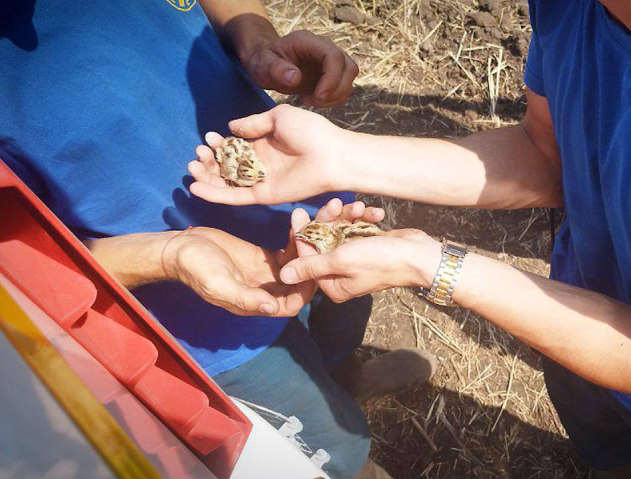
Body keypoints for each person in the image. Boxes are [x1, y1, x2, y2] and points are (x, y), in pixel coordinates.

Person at [188, 0, 631, 477]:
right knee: (604, 447)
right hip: (570, 313)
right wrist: (341, 156)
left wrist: (431, 263)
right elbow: (546, 157)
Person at [0, 1, 434, 478]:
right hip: (195, 311)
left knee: (341, 317)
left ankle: (344, 377)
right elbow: (21, 273)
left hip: (299, 212)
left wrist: (253, 35)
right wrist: (168, 254)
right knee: (331, 445)